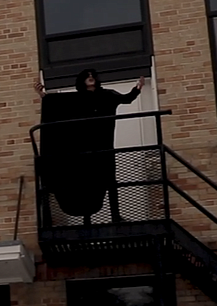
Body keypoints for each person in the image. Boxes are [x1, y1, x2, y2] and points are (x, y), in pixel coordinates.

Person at [35, 69, 146, 221]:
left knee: (109, 179)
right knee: (85, 181)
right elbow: (56, 104)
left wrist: (137, 88)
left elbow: (126, 99)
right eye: (87, 76)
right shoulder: (75, 99)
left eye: (92, 75)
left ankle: (115, 215)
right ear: (82, 80)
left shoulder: (108, 95)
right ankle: (86, 218)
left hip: (103, 145)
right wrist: (42, 95)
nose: (90, 78)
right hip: (83, 148)